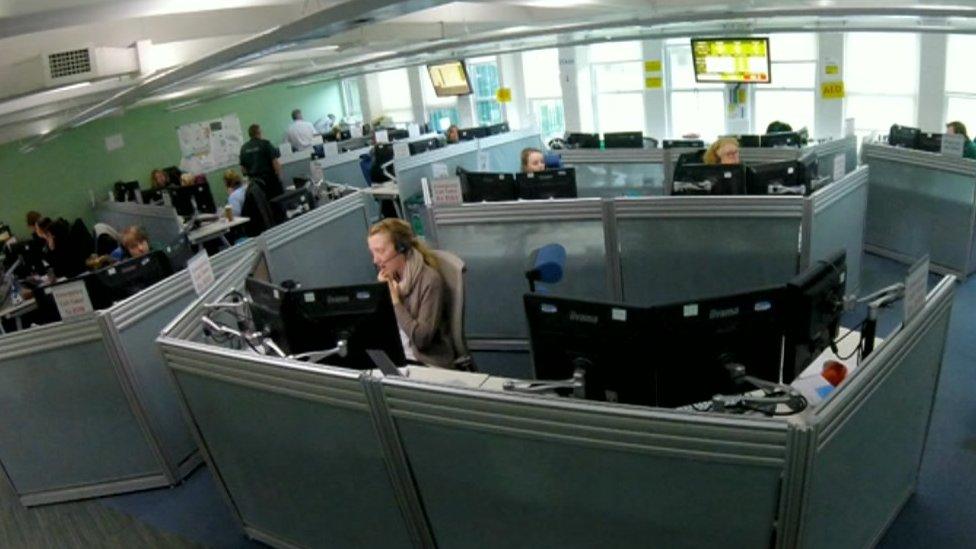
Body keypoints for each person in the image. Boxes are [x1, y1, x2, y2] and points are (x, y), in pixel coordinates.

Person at [367, 218, 455, 369]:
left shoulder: (429, 280)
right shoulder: (390, 277)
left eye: (380, 251)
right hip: (398, 356)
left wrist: (395, 302)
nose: (375, 260)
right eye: (372, 253)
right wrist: (381, 296)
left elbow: (421, 340)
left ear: (401, 248)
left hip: (424, 362)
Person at [240, 123, 284, 200]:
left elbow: (243, 170)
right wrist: (280, 178)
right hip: (270, 181)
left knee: (264, 207)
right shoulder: (266, 144)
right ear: (259, 132)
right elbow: (275, 163)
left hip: (255, 185)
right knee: (278, 204)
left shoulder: (244, 148)